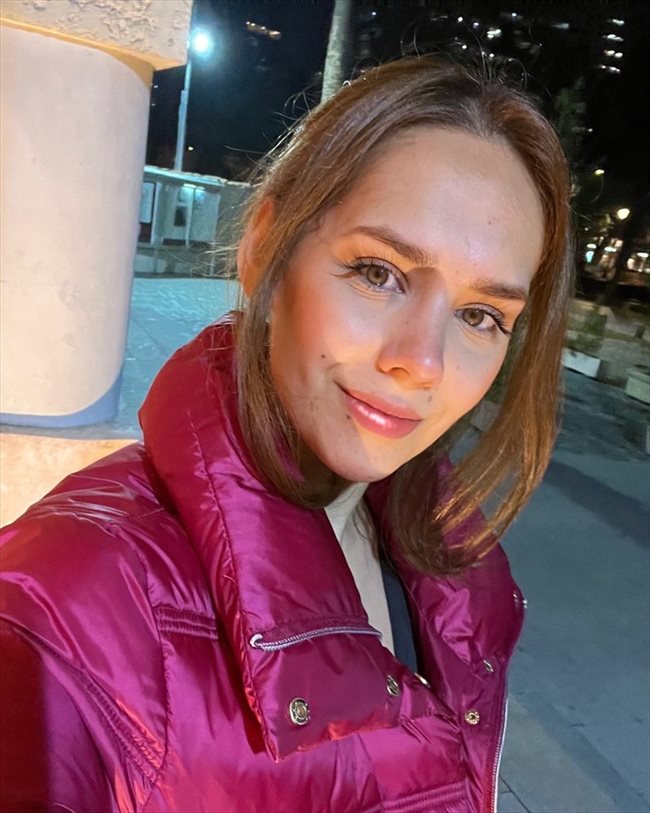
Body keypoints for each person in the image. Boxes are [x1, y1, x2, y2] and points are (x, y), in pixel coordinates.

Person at [1, 57, 572, 812]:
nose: (422, 363)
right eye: (379, 273)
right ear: (265, 247)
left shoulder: (447, 569)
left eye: (480, 315)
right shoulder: (67, 606)